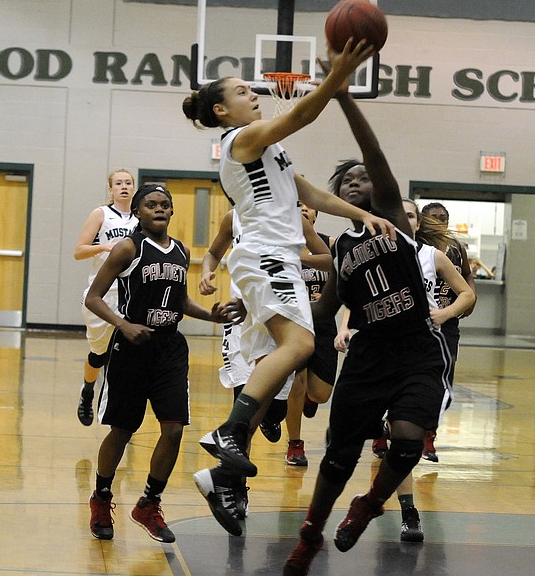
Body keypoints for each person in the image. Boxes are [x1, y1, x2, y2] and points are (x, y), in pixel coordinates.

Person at [181, 37, 393, 480]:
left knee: (268, 370)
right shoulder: (242, 139)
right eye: (241, 91)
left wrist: (359, 216)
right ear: (221, 110)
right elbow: (300, 114)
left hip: (271, 258)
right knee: (300, 346)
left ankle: (225, 480)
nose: (253, 94)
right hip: (267, 255)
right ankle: (229, 432)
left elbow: (309, 191)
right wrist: (338, 77)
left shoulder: (268, 149)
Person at [282, 78, 455, 576]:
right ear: (338, 196)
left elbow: (373, 151)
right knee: (338, 457)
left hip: (417, 347)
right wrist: (277, 333)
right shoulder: (339, 250)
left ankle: (370, 503)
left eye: (364, 178)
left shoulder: (394, 221)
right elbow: (324, 310)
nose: (358, 182)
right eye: (348, 181)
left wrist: (342, 96)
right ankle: (310, 537)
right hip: (369, 352)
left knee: (406, 441)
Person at [84, 184, 236, 543]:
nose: (159, 209)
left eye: (164, 205)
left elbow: (180, 301)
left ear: (171, 211)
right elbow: (92, 298)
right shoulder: (128, 248)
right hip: (132, 347)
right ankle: (101, 497)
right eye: (150, 204)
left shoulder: (181, 250)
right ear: (137, 212)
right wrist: (123, 323)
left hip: (169, 348)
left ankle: (149, 503)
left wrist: (211, 317)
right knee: (122, 429)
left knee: (174, 429)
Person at [335, 198, 475, 544]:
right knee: (352, 442)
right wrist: (343, 328)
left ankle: (402, 509)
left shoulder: (432, 256)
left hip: (418, 354)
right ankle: (390, 505)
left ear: (416, 223)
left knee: (407, 439)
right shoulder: (368, 256)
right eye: (395, 215)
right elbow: (351, 300)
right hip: (375, 354)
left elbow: (466, 294)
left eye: (409, 215)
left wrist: (443, 314)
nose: (402, 220)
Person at [192, 208, 330, 534]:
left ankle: (228, 471)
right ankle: (233, 489)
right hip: (245, 317)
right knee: (245, 401)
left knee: (273, 406)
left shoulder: (293, 218)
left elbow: (326, 257)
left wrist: (299, 259)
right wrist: (206, 273)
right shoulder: (232, 217)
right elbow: (213, 252)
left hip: (280, 313)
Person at [73, 168, 138, 426]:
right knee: (99, 354)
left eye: (128, 182)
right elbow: (78, 251)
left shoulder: (141, 218)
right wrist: (104, 246)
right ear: (110, 189)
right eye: (118, 183)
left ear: (134, 187)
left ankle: (119, 407)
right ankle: (88, 390)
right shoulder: (101, 214)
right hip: (101, 295)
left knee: (127, 354)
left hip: (131, 295)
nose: (124, 186)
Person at [417, 201, 476, 461]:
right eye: (434, 217)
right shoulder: (415, 247)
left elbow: (467, 279)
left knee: (445, 380)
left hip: (448, 321)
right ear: (423, 221)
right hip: (417, 323)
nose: (440, 221)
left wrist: (470, 298)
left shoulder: (456, 248)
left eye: (444, 217)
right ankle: (387, 432)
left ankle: (430, 434)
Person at [285, 202, 340, 467]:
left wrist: (329, 296)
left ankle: (309, 395)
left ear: (317, 213)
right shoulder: (281, 242)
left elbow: (344, 279)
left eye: (308, 206)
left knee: (321, 394)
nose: (303, 210)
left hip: (323, 323)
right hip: (293, 323)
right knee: (297, 382)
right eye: (297, 205)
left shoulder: (332, 245)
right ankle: (294, 445)